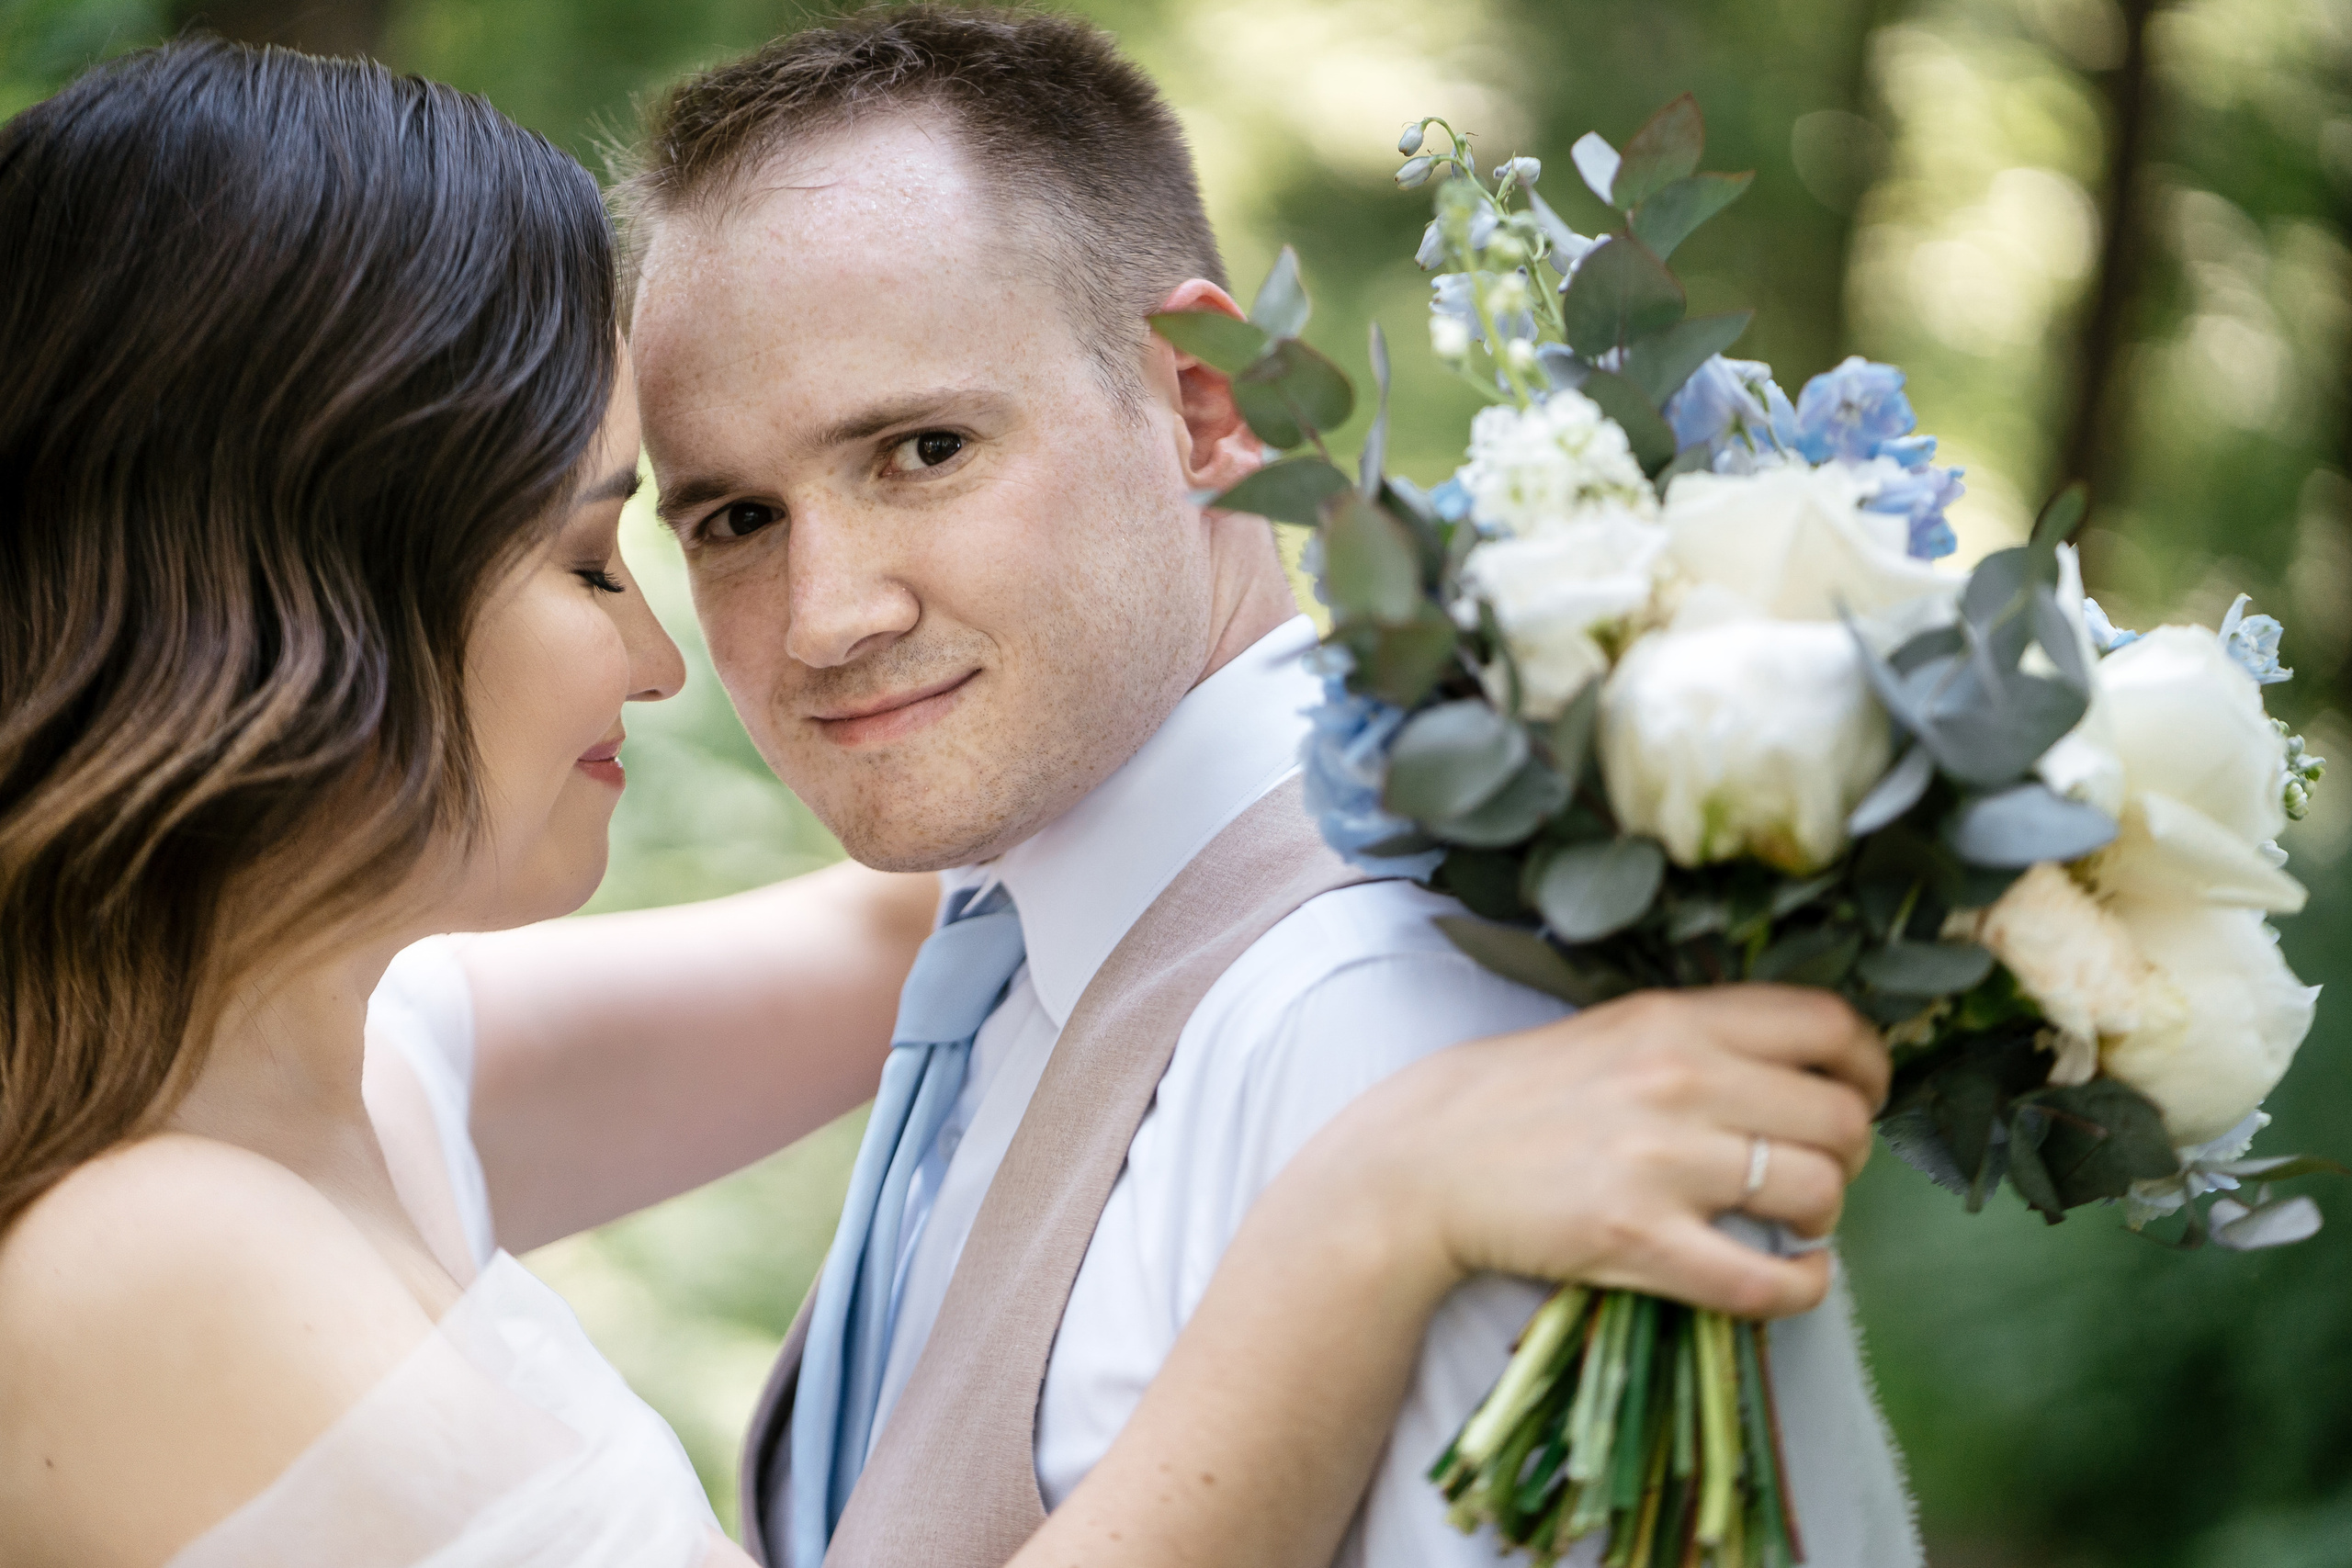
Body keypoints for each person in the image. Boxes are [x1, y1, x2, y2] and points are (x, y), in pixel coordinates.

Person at [0, 37, 1884, 1568]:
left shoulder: (321, 1064)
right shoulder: (164, 1240)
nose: (766, 633)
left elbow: (952, 907)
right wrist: (1365, 1221)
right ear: (299, 605)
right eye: (690, 528)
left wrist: (1622, 715)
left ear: (1203, 399)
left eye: (922, 448)